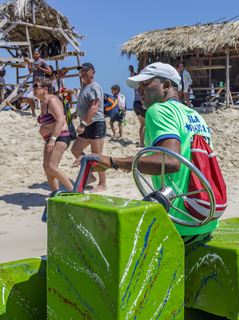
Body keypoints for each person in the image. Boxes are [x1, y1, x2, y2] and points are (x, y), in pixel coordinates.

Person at [74, 62, 219, 244]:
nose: (140, 90)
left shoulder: (158, 110)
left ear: (166, 85)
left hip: (178, 220)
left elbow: (171, 162)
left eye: (146, 84)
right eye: (139, 86)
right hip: (204, 218)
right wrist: (131, 162)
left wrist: (111, 162)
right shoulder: (194, 115)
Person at [71, 62, 107, 193]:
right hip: (86, 124)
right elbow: (85, 106)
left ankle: (103, 184)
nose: (83, 73)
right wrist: (77, 113)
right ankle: (91, 176)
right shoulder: (84, 87)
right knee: (75, 150)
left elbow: (94, 107)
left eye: (86, 70)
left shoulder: (94, 87)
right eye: (81, 71)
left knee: (97, 156)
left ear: (93, 72)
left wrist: (82, 124)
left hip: (96, 124)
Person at [34, 78, 73, 193]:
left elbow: (61, 121)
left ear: (45, 89)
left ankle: (74, 192)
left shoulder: (52, 100)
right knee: (47, 168)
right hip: (51, 139)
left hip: (59, 137)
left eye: (36, 86)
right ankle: (55, 194)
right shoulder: (43, 103)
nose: (33, 88)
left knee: (52, 167)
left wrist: (52, 139)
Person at [24, 48, 51, 116]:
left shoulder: (42, 62)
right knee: (29, 97)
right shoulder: (33, 62)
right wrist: (28, 62)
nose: (35, 55)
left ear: (39, 54)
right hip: (34, 83)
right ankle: (33, 113)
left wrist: (40, 68)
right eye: (34, 54)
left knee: (42, 98)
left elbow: (49, 72)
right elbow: (30, 71)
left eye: (36, 54)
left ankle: (45, 112)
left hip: (41, 83)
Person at [130, 65, 146, 147]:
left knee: (142, 125)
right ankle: (142, 142)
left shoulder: (135, 83)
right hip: (140, 103)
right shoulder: (143, 84)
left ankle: (141, 142)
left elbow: (132, 75)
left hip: (135, 103)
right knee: (145, 125)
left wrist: (132, 71)